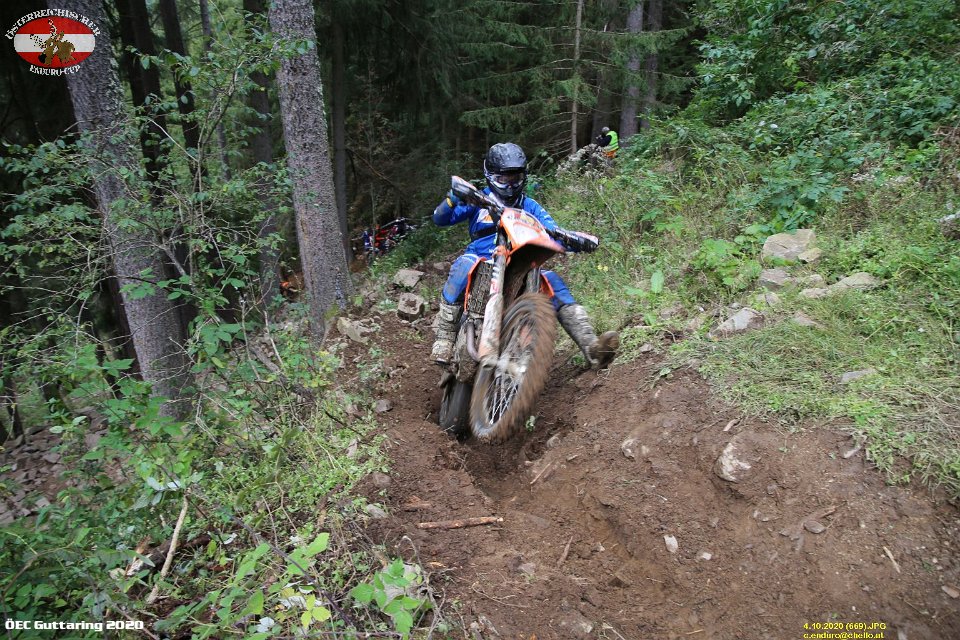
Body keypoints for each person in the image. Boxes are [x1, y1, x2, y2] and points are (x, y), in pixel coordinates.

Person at [430, 142, 619, 369]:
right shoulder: (477, 201)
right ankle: (445, 336)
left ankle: (591, 347)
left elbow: (551, 232)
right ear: (490, 176)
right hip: (481, 262)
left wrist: (574, 240)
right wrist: (453, 198)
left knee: (552, 280)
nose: (510, 186)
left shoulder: (530, 206)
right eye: (503, 179)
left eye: (515, 179)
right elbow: (440, 219)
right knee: (464, 263)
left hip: (518, 265)